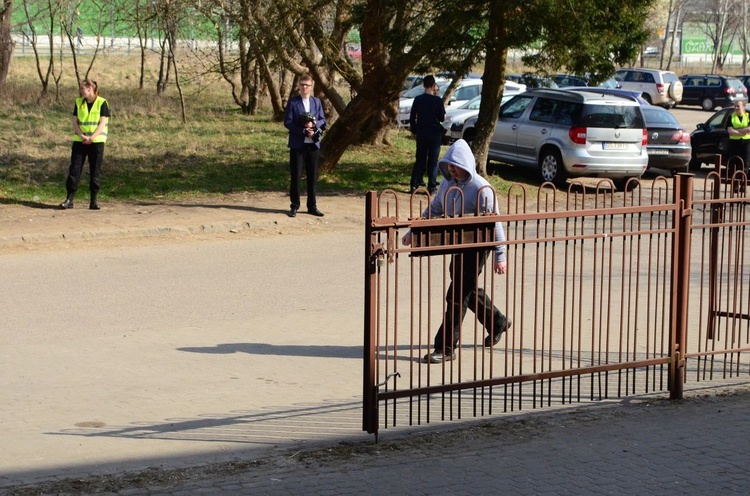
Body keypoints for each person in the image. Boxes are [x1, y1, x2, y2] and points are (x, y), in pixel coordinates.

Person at [401, 139, 511, 364]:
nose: (451, 168)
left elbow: (495, 223)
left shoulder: (482, 188)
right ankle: (497, 321)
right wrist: (413, 231)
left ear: (466, 164)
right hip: (458, 243)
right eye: (449, 164)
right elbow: (434, 209)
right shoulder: (446, 185)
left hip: (479, 246)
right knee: (465, 288)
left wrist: (500, 255)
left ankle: (446, 347)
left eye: (456, 164)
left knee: (456, 296)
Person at [59, 79, 109, 210]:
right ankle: (69, 199)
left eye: (83, 89)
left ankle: (93, 201)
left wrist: (92, 138)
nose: (81, 91)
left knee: (95, 171)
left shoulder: (102, 103)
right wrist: (82, 136)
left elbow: (102, 123)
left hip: (96, 142)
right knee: (74, 169)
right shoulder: (78, 102)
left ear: (90, 89)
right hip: (80, 141)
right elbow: (75, 122)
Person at [283, 74, 326, 217]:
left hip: (313, 145)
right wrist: (302, 131)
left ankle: (312, 206)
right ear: (299, 86)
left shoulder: (316, 102)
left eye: (307, 85)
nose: (304, 87)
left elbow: (322, 120)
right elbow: (288, 122)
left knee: (312, 176)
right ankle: (294, 205)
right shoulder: (293, 102)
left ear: (311, 86)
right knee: (296, 175)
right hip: (298, 145)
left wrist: (314, 125)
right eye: (302, 84)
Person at [409, 75, 445, 195]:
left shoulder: (418, 99)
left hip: (422, 132)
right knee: (433, 161)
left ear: (424, 85)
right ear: (433, 85)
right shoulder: (438, 101)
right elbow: (442, 118)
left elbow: (412, 116)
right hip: (434, 133)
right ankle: (432, 186)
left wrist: (415, 129)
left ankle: (414, 184)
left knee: (420, 159)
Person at [727, 100, 750, 173]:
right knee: (734, 164)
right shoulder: (731, 117)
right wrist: (743, 131)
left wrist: (736, 131)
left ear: (743, 107)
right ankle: (735, 183)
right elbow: (730, 131)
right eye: (735, 106)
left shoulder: (748, 116)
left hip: (746, 143)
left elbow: (749, 129)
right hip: (734, 143)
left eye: (738, 106)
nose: (736, 108)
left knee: (745, 165)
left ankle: (743, 183)